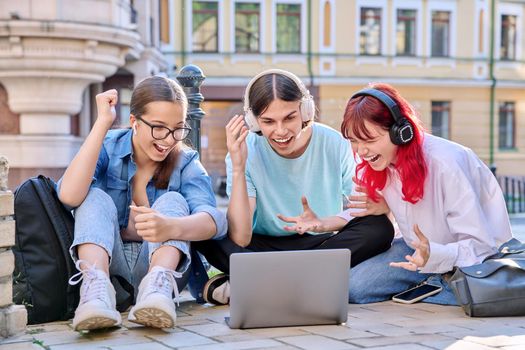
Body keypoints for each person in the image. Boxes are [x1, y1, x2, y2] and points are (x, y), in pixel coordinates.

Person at [193, 69, 395, 305]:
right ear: (254, 121)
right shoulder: (245, 149)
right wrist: (238, 167)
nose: (280, 131)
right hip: (261, 247)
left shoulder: (335, 143)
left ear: (305, 111)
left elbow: (362, 209)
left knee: (379, 227)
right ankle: (302, 281)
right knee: (204, 230)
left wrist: (322, 224)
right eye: (268, 121)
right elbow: (241, 238)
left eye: (289, 118)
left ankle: (261, 283)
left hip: (318, 243)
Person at [58, 76, 227, 331]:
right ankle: (95, 296)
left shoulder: (186, 162)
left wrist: (171, 227)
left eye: (178, 128)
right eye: (159, 127)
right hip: (107, 269)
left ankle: (155, 295)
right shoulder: (107, 146)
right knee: (92, 197)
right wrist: (102, 123)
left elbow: (215, 221)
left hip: (162, 274)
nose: (169, 139)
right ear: (134, 121)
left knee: (173, 199)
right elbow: (69, 196)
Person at [325, 83, 512, 304]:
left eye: (369, 140)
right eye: (354, 141)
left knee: (466, 295)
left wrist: (435, 255)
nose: (361, 151)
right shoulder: (380, 160)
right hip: (416, 249)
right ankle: (436, 281)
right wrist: (323, 223)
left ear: (400, 132)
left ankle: (441, 282)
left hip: (472, 256)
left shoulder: (447, 163)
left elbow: (482, 245)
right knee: (352, 289)